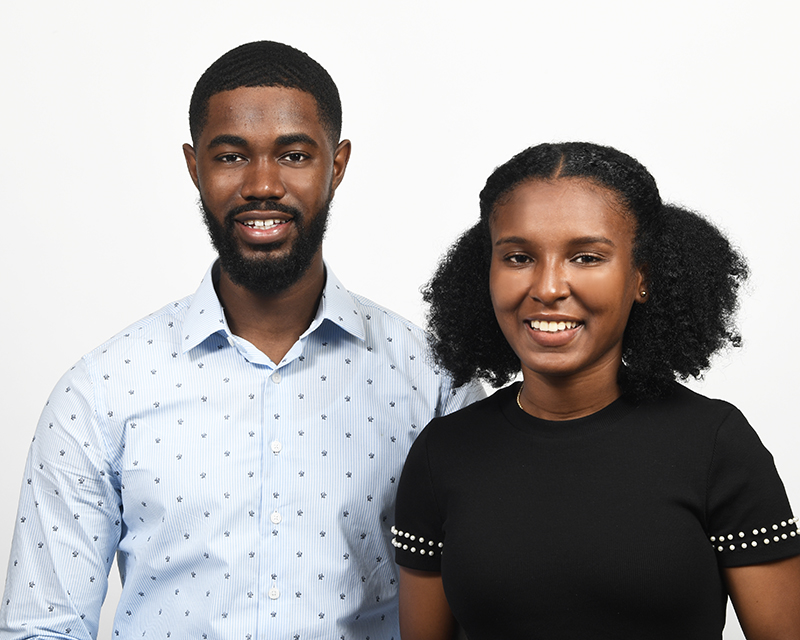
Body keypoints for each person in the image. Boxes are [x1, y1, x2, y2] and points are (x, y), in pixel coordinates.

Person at [0, 41, 482, 640]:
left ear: (337, 165)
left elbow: (486, 606)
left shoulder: (435, 381)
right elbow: (42, 627)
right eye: (231, 156)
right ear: (193, 166)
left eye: (294, 155)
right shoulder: (99, 392)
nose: (262, 185)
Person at [393, 142, 800, 639]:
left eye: (586, 257)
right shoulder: (442, 453)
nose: (548, 287)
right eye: (518, 257)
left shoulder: (715, 443)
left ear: (641, 276)